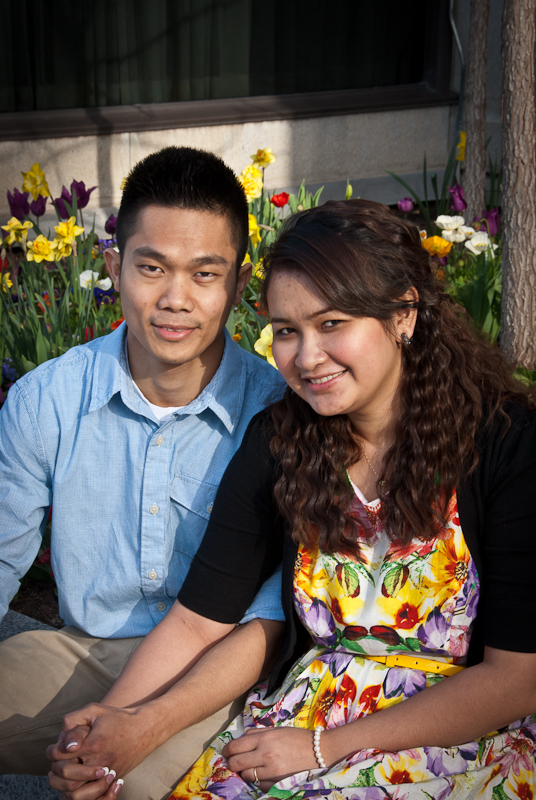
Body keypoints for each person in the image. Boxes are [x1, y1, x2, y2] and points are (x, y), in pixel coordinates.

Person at [49, 199, 536, 800]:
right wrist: (114, 723)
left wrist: (323, 749)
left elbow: (516, 678)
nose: (306, 357)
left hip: (456, 737)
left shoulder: (506, 445)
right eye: (287, 331)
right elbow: (199, 620)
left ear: (404, 313)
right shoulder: (282, 442)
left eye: (332, 324)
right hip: (292, 724)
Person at [0, 145, 287, 800]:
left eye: (205, 274)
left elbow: (274, 611)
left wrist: (134, 724)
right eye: (152, 267)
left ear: (239, 283)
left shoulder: (275, 414)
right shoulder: (48, 400)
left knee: (121, 785)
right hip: (85, 650)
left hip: (219, 672)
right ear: (114, 267)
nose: (175, 300)